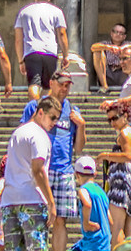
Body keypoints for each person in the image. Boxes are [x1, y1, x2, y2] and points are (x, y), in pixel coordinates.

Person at [0, 96, 63, 251]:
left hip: (9, 201)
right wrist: (51, 202)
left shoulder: (17, 133)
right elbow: (38, 170)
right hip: (32, 200)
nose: (55, 123)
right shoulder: (39, 135)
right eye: (52, 117)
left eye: (57, 119)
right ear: (40, 112)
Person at [97, 103, 131, 246]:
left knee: (116, 227)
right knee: (130, 230)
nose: (112, 122)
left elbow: (128, 156)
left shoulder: (124, 133)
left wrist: (104, 156)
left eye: (115, 118)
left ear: (125, 116)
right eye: (109, 120)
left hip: (122, 183)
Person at [46, 61, 86, 234]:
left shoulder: (73, 110)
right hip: (43, 168)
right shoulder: (37, 107)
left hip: (64, 170)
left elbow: (79, 148)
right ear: (51, 83)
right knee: (39, 217)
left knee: (61, 220)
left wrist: (81, 126)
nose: (64, 88)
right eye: (61, 84)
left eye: (67, 86)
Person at [14, 0, 70, 95]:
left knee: (34, 83)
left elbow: (18, 39)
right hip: (50, 51)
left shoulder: (24, 12)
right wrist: (65, 55)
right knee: (49, 85)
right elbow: (62, 34)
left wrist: (21, 60)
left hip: (32, 51)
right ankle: (46, 110)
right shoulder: (57, 11)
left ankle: (33, 108)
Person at [72, 158, 111, 251]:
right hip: (104, 241)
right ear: (95, 174)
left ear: (77, 175)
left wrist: (86, 223)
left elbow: (87, 204)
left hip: (92, 242)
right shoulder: (101, 192)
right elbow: (110, 218)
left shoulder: (83, 189)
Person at [89, 24, 131, 92]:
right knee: (97, 52)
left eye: (121, 33)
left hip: (123, 73)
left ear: (124, 36)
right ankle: (104, 86)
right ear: (111, 33)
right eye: (116, 32)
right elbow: (93, 47)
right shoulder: (105, 44)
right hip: (108, 73)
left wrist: (123, 48)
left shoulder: (127, 44)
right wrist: (108, 47)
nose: (118, 34)